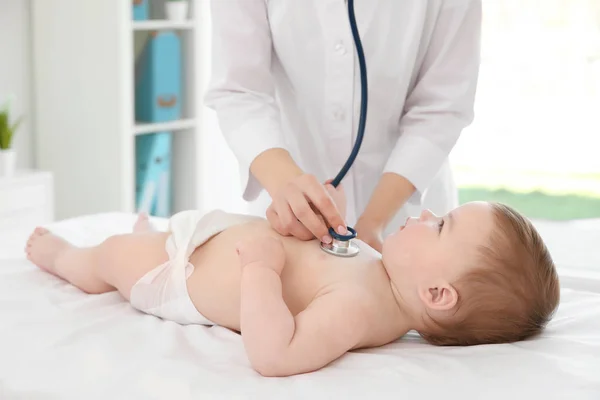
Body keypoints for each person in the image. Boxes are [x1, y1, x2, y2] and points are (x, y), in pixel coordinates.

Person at [25, 201, 559, 377]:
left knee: (111, 255)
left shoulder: (358, 311)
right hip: (210, 238)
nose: (423, 213)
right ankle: (140, 238)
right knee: (142, 239)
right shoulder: (382, 272)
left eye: (440, 225)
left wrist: (260, 269)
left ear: (438, 295)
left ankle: (64, 257)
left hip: (176, 273)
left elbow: (273, 354)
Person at [204, 0, 482, 251]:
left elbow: (441, 107)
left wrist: (373, 225)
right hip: (287, 216)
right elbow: (240, 90)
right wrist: (288, 186)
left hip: (406, 222)